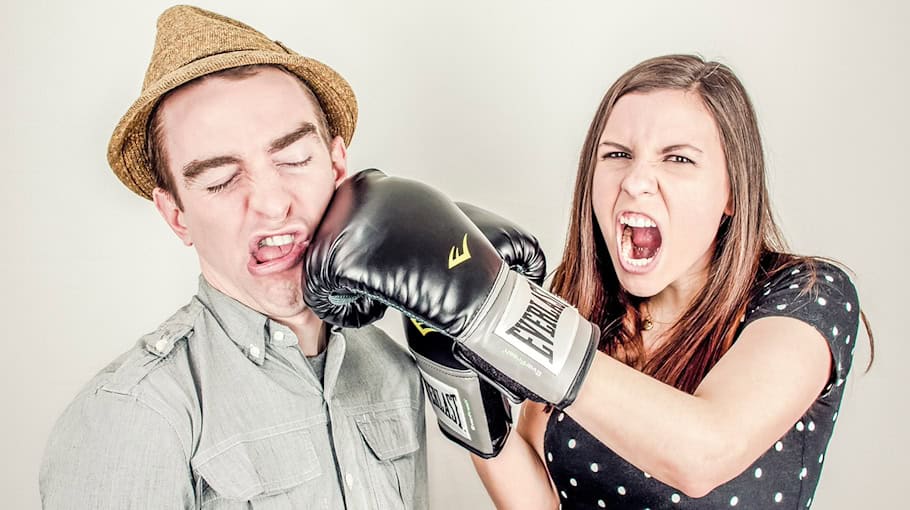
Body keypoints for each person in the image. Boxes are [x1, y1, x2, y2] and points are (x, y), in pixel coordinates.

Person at [39, 6, 427, 509]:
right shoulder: (134, 414)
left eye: (293, 159)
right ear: (176, 214)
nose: (270, 202)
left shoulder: (394, 368)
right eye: (221, 180)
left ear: (336, 165)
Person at [467, 54, 874, 509]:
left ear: (733, 194)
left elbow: (704, 451)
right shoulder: (584, 306)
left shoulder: (807, 294)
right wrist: (456, 376)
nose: (636, 181)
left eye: (678, 158)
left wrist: (507, 317)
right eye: (617, 154)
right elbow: (543, 503)